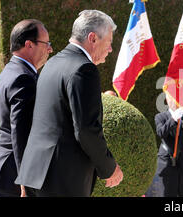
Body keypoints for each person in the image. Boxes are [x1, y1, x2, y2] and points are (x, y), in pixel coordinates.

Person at [15, 10, 123, 197]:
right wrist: (109, 168)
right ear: (93, 38)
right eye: (109, 42)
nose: (111, 49)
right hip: (62, 180)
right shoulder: (84, 68)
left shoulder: (52, 63)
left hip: (35, 174)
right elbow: (86, 129)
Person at [0, 19, 53, 197]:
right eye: (47, 43)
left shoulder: (10, 71)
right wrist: (26, 177)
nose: (50, 49)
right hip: (13, 175)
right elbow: (20, 131)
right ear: (29, 45)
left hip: (3, 170)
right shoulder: (23, 78)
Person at [154, 95, 183, 197]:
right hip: (168, 165)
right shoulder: (160, 117)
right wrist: (173, 119)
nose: (175, 101)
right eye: (172, 98)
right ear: (167, 100)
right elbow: (161, 133)